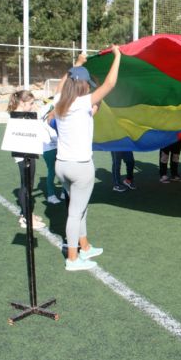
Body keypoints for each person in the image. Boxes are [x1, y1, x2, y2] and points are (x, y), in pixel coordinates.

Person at [53, 45, 121, 271]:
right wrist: (117, 56)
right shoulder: (82, 102)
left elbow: (65, 86)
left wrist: (78, 65)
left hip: (61, 166)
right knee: (75, 212)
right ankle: (73, 259)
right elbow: (110, 84)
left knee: (79, 208)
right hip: (80, 167)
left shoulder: (59, 102)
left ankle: (85, 246)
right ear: (82, 85)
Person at [7, 90, 46, 230]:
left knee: (29, 184)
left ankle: (29, 213)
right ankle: (26, 217)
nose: (32, 105)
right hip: (23, 154)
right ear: (22, 103)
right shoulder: (17, 117)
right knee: (26, 186)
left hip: (28, 152)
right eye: (30, 103)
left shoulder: (23, 115)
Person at [39, 98, 62, 205]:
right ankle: (51, 195)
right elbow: (54, 136)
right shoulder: (47, 119)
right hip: (49, 149)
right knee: (52, 171)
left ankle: (63, 192)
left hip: (55, 148)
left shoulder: (49, 116)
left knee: (61, 171)